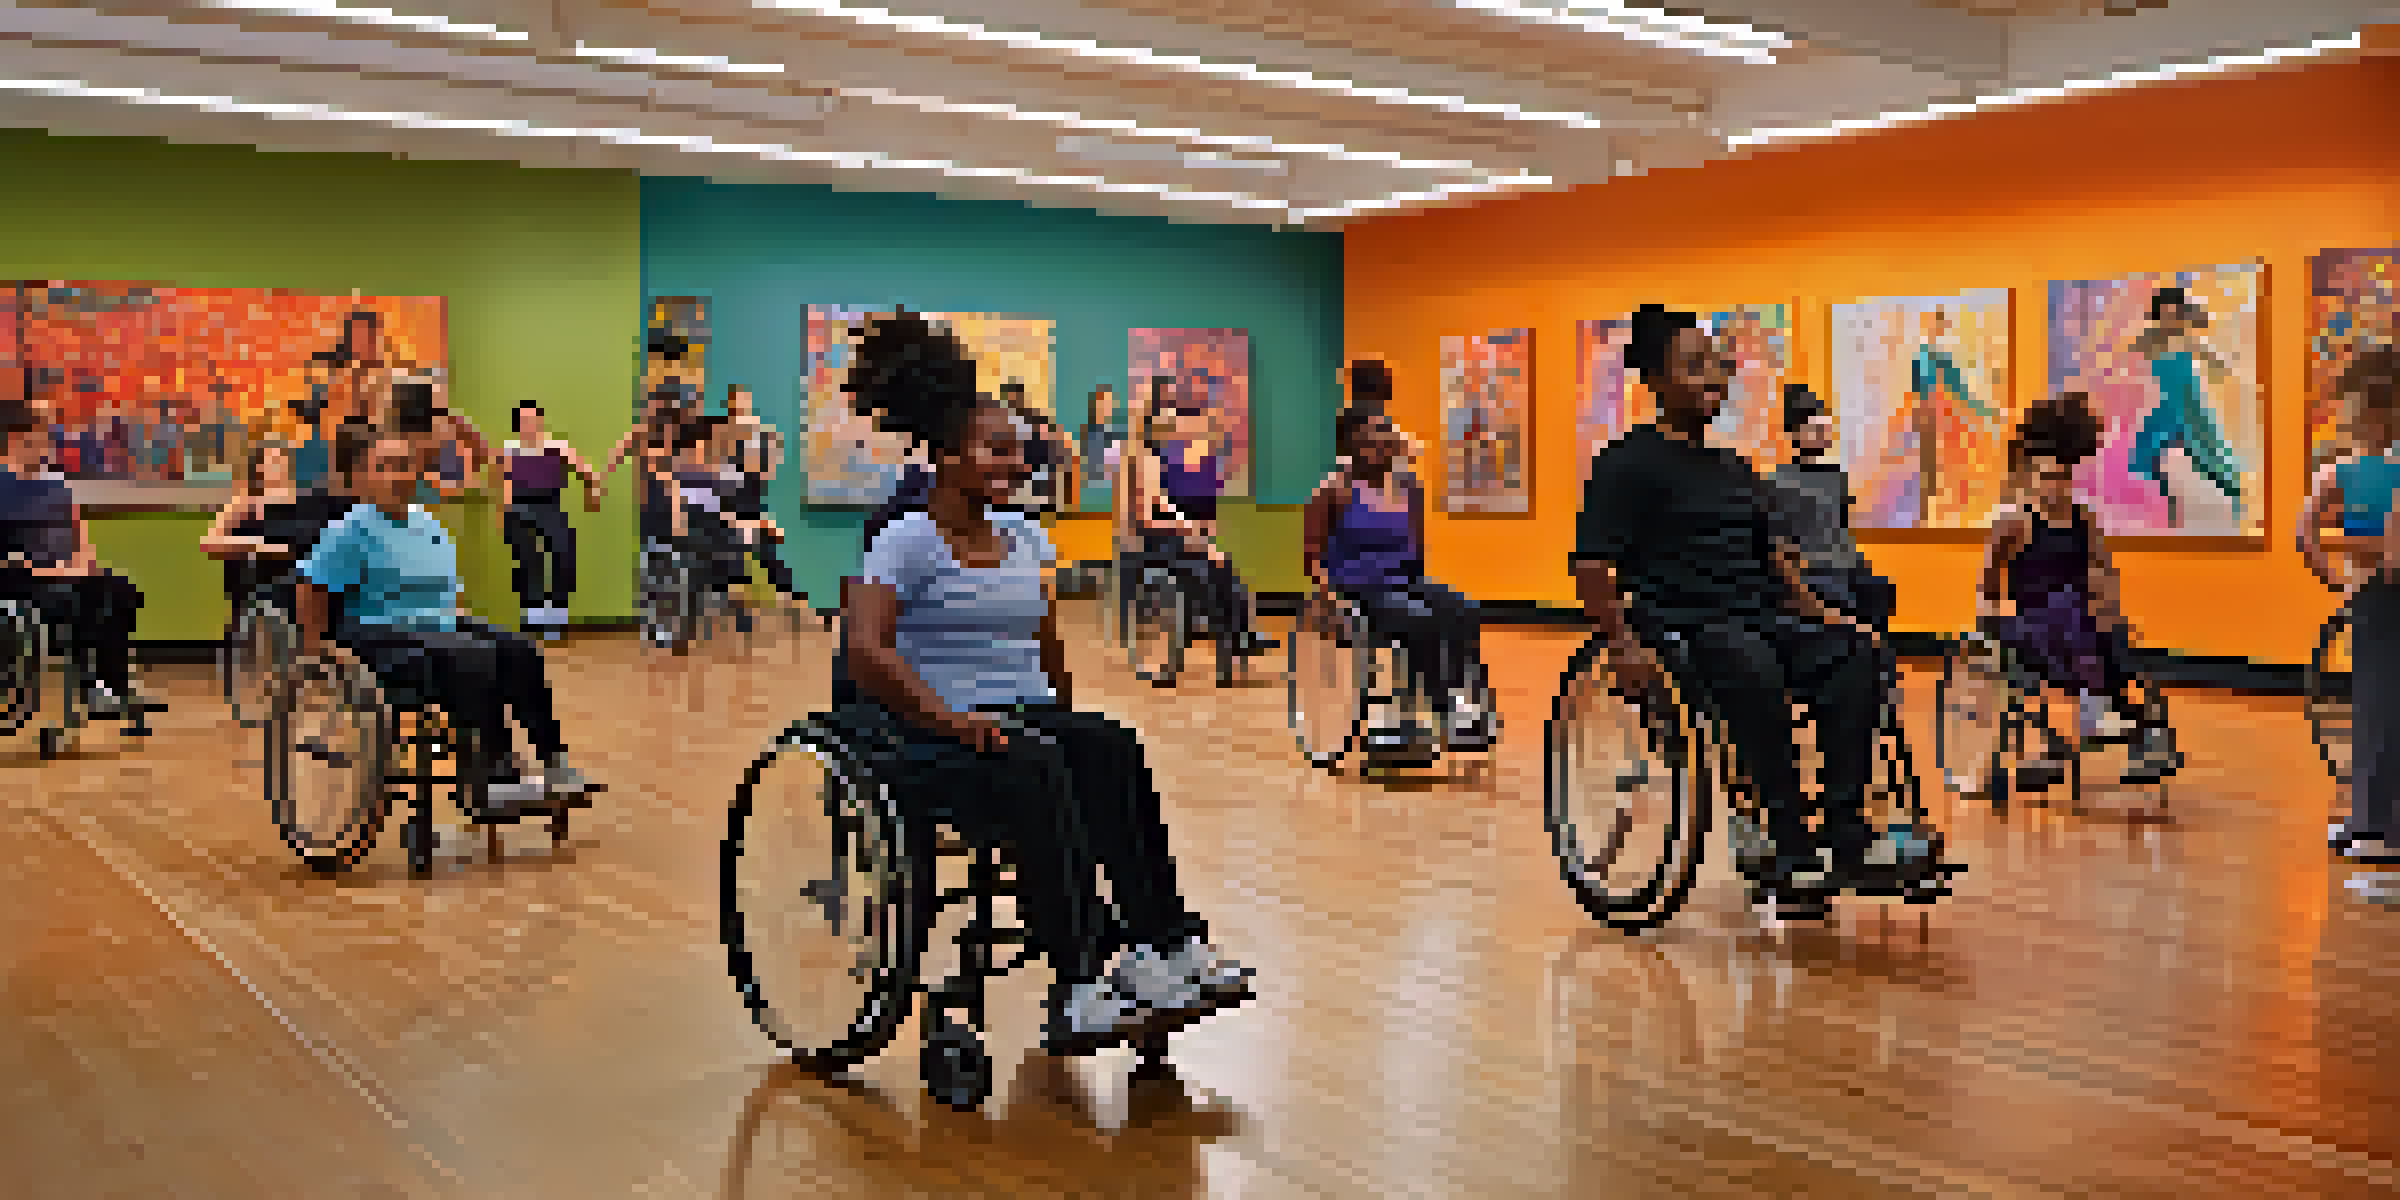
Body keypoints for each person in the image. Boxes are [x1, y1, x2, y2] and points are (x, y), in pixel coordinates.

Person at [838, 310, 1251, 1054]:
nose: (1015, 464)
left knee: (1111, 746)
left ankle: (1166, 944)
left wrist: (1067, 717)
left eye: (1020, 453)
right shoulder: (904, 540)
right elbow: (866, 651)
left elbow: (1046, 642)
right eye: (997, 451)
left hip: (1017, 716)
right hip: (931, 733)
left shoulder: (1027, 535)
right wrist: (947, 720)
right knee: (1039, 762)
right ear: (947, 456)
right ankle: (1078, 982)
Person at [1571, 305, 1935, 911]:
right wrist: (1621, 646)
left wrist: (1823, 613)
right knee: (1751, 667)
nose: (1711, 378)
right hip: (1683, 625)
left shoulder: (1735, 468)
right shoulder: (1625, 464)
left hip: (1758, 616)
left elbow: (1774, 559)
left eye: (1715, 366)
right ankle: (1790, 848)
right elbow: (1591, 568)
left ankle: (1842, 830)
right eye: (1693, 367)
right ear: (1656, 381)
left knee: (1853, 657)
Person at [294, 426, 592, 819]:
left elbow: (448, 586)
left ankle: (553, 760)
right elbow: (311, 587)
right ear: (361, 478)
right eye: (385, 467)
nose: (399, 476)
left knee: (519, 649)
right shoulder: (350, 529)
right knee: (471, 654)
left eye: (405, 466)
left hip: (436, 626)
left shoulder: (425, 521)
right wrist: (317, 656)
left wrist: (460, 617)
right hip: (376, 631)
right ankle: (491, 773)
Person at [1978, 391, 2182, 788]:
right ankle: (2098, 709)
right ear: (2033, 479)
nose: (2056, 486)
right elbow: (1988, 579)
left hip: (2078, 621)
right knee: (2072, 608)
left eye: (2062, 478)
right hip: (2031, 619)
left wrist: (2111, 609)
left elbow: (2103, 569)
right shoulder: (2014, 522)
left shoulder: (2083, 518)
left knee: (2107, 629)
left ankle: (2144, 731)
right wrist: (1987, 619)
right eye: (2048, 478)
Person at [1303, 364, 1495, 750]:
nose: (1378, 444)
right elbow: (1311, 557)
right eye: (1369, 438)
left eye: (1382, 436)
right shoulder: (1332, 490)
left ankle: (1459, 693)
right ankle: (1445, 710)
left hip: (1402, 581)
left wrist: (1423, 586)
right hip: (1357, 588)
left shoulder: (1407, 488)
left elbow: (1415, 550)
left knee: (1463, 608)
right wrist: (1328, 600)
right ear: (1350, 444)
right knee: (1417, 618)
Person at [2299, 347, 2400, 868]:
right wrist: (2345, 581)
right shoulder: (2343, 471)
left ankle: (2375, 824)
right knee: (2377, 711)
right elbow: (2309, 536)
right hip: (2374, 597)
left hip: (2371, 594)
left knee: (2377, 712)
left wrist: (2341, 578)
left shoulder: (2340, 471)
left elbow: (2307, 535)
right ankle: (2370, 821)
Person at [0, 410, 155, 717]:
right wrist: (50, 571)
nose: (46, 446)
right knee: (81, 599)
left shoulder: (58, 485)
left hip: (68, 573)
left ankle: (114, 687)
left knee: (120, 589)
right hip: (22, 581)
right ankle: (93, 686)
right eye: (38, 439)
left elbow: (80, 534)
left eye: (46, 439)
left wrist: (83, 564)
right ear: (15, 441)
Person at [1122, 375, 1274, 679]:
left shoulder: (1156, 458)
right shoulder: (1142, 458)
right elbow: (1146, 516)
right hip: (1153, 542)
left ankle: (1241, 634)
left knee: (1223, 567)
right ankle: (1231, 637)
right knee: (1207, 572)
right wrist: (1189, 530)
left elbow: (1164, 505)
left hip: (1170, 535)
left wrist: (1191, 531)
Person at [1769, 384, 1897, 632]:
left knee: (1879, 590)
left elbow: (1842, 528)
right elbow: (1781, 540)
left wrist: (1857, 564)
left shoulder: (1836, 477)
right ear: (1796, 432)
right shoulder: (1780, 481)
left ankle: (1880, 663)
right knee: (1841, 595)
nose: (1824, 435)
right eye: (1816, 429)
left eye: (1825, 429)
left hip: (1844, 562)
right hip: (1812, 567)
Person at [2129, 287, 2244, 530]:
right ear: (2157, 315)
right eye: (2165, 314)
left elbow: (2223, 367)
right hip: (2164, 406)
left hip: (2191, 406)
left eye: (2176, 314)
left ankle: (2220, 515)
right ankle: (2166, 516)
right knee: (2151, 460)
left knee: (2210, 461)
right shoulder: (2145, 340)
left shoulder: (2188, 339)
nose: (2170, 319)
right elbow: (2129, 370)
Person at [495, 402, 601, 642]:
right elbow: (506, 483)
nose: (529, 425)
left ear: (540, 421)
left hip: (551, 506)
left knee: (564, 552)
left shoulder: (557, 446)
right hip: (520, 507)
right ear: (518, 426)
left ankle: (556, 614)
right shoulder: (510, 448)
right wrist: (504, 511)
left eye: (532, 420)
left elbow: (585, 471)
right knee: (529, 557)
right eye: (524, 421)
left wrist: (592, 491)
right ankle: (534, 615)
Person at [722, 385, 809, 614]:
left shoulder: (758, 434)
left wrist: (765, 443)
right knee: (738, 555)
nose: (741, 408)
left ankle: (795, 598)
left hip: (749, 504)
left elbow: (766, 469)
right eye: (737, 404)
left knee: (765, 552)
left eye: (744, 403)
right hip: (731, 505)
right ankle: (742, 608)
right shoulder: (725, 436)